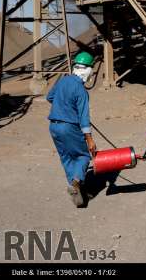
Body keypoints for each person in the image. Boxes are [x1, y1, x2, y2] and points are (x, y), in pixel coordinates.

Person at [46, 51, 97, 207]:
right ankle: (76, 182)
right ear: (88, 70)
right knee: (83, 157)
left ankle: (78, 193)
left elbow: (49, 97)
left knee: (67, 158)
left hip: (53, 126)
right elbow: (83, 118)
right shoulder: (81, 91)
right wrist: (90, 140)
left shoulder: (63, 80)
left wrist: (63, 104)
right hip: (69, 127)